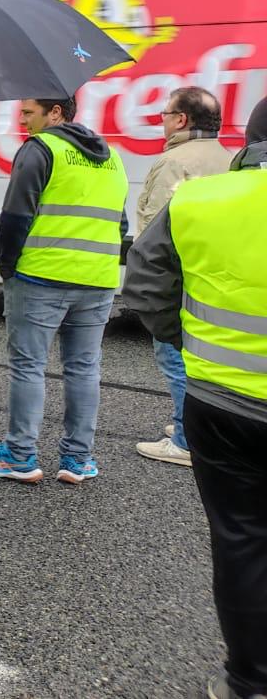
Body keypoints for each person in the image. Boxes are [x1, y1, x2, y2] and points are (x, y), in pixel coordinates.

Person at [122, 141, 267, 699]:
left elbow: (145, 285)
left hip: (222, 404)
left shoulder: (196, 201)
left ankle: (250, 683)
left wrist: (189, 344)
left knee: (241, 540)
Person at [0, 95, 129, 486]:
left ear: (55, 113)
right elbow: (121, 223)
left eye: (28, 112)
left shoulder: (39, 150)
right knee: (84, 368)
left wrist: (7, 265)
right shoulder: (112, 157)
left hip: (42, 276)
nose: (22, 120)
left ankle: (20, 455)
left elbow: (15, 216)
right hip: (98, 279)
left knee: (29, 365)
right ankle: (78, 460)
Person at [127, 86, 235, 468]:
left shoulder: (176, 161)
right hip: (209, 274)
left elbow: (158, 230)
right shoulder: (227, 158)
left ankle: (186, 439)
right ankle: (193, 427)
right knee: (201, 360)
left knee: (173, 356)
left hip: (177, 277)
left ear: (182, 120)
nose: (163, 121)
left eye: (165, 114)